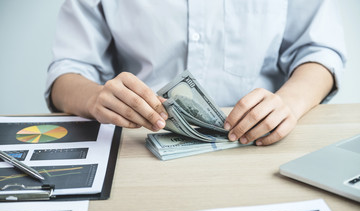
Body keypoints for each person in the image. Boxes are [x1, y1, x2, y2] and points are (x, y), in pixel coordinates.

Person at [46, 0, 346, 146]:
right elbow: (66, 73)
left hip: (261, 145)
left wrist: (289, 103)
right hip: (137, 145)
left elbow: (319, 51)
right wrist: (94, 98)